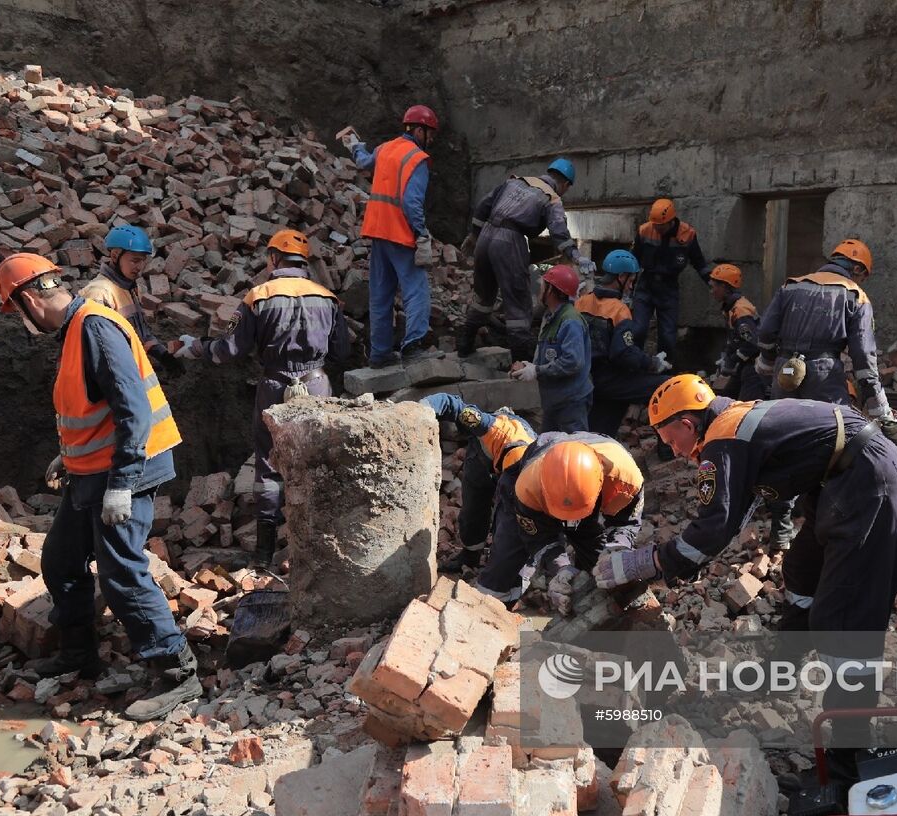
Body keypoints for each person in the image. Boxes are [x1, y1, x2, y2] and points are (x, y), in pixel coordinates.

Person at [593, 374, 897, 769]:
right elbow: (735, 515)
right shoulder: (732, 420)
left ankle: (850, 751)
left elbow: (713, 530)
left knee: (844, 619)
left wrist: (642, 563)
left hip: (872, 485)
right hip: (845, 478)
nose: (674, 452)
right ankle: (782, 670)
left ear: (686, 424)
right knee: (801, 572)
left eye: (670, 440)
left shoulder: (723, 438)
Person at [0, 253, 198, 722]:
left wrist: (122, 485)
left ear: (27, 299)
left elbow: (134, 412)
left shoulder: (94, 327)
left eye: (16, 312)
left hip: (128, 470)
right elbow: (92, 410)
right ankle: (79, 655)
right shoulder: (75, 331)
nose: (21, 323)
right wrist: (68, 456)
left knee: (121, 571)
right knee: (62, 561)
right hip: (92, 470)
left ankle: (176, 671)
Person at [176, 230, 350, 567]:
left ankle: (264, 553)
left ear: (274, 258)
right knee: (314, 461)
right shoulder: (327, 298)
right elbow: (342, 351)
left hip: (274, 385)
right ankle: (314, 550)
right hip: (316, 385)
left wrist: (196, 346)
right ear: (305, 261)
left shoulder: (259, 295)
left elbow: (230, 350)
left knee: (269, 465)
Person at [755, 239, 897, 467]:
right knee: (830, 440)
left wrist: (768, 365)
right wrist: (880, 409)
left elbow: (766, 331)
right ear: (856, 268)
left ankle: (780, 497)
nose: (860, 282)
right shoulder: (856, 296)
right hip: (824, 377)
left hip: (785, 373)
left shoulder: (791, 286)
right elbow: (863, 359)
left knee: (783, 437)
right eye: (862, 277)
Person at [478, 434, 645, 608]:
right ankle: (490, 612)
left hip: (588, 502)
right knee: (504, 567)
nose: (569, 521)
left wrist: (617, 548)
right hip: (536, 500)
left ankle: (599, 615)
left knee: (607, 571)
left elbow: (624, 523)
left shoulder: (626, 481)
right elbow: (540, 538)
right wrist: (560, 568)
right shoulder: (527, 489)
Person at [456, 158, 596, 360]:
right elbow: (559, 231)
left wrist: (474, 235)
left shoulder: (515, 181)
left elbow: (483, 205)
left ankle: (464, 346)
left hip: (486, 236)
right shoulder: (552, 198)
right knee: (519, 306)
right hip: (510, 241)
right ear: (565, 184)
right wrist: (576, 256)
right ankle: (520, 363)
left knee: (483, 298)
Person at [350, 105, 438, 367]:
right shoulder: (417, 159)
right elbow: (412, 203)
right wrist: (421, 233)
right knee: (417, 291)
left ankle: (379, 354)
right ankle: (413, 347)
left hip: (378, 232)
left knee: (380, 295)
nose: (431, 141)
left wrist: (355, 144)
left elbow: (363, 162)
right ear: (419, 130)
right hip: (400, 233)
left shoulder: (384, 148)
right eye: (430, 134)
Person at [422, 393, 536, 576]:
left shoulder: (535, 464)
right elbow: (449, 403)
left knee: (511, 516)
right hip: (482, 456)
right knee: (473, 508)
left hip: (510, 467)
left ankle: (506, 565)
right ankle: (470, 557)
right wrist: (421, 409)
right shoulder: (485, 425)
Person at [576, 249, 671, 437]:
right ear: (620, 277)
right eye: (630, 280)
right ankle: (668, 447)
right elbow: (622, 353)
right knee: (667, 387)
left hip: (584, 377)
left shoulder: (582, 302)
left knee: (599, 429)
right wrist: (651, 363)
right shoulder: (619, 310)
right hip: (608, 378)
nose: (630, 286)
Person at [79, 224, 183, 379]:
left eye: (143, 261)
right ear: (115, 256)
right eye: (135, 260)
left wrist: (161, 354)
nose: (140, 267)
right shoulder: (99, 293)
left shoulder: (129, 288)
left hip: (129, 373)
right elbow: (97, 352)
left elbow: (139, 334)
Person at [629, 198, 713, 366]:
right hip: (646, 285)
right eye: (655, 224)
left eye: (660, 225)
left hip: (668, 287)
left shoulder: (687, 234)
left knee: (667, 335)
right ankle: (633, 367)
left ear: (670, 221)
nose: (657, 228)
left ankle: (665, 371)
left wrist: (711, 282)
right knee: (637, 330)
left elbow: (699, 262)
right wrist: (627, 286)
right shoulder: (645, 231)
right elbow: (633, 260)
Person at [509, 264, 592, 432]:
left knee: (573, 448)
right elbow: (550, 354)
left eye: (544, 285)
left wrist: (537, 371)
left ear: (553, 291)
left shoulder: (570, 321)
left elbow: (573, 362)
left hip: (571, 401)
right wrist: (529, 366)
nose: (540, 288)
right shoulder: (552, 316)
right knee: (549, 447)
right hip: (555, 400)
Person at [707, 263, 764, 402]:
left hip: (754, 367)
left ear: (724, 287)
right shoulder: (731, 308)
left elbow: (753, 344)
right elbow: (736, 338)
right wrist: (727, 356)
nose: (711, 291)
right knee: (725, 398)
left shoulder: (740, 311)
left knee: (746, 407)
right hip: (745, 365)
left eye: (713, 287)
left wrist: (732, 360)